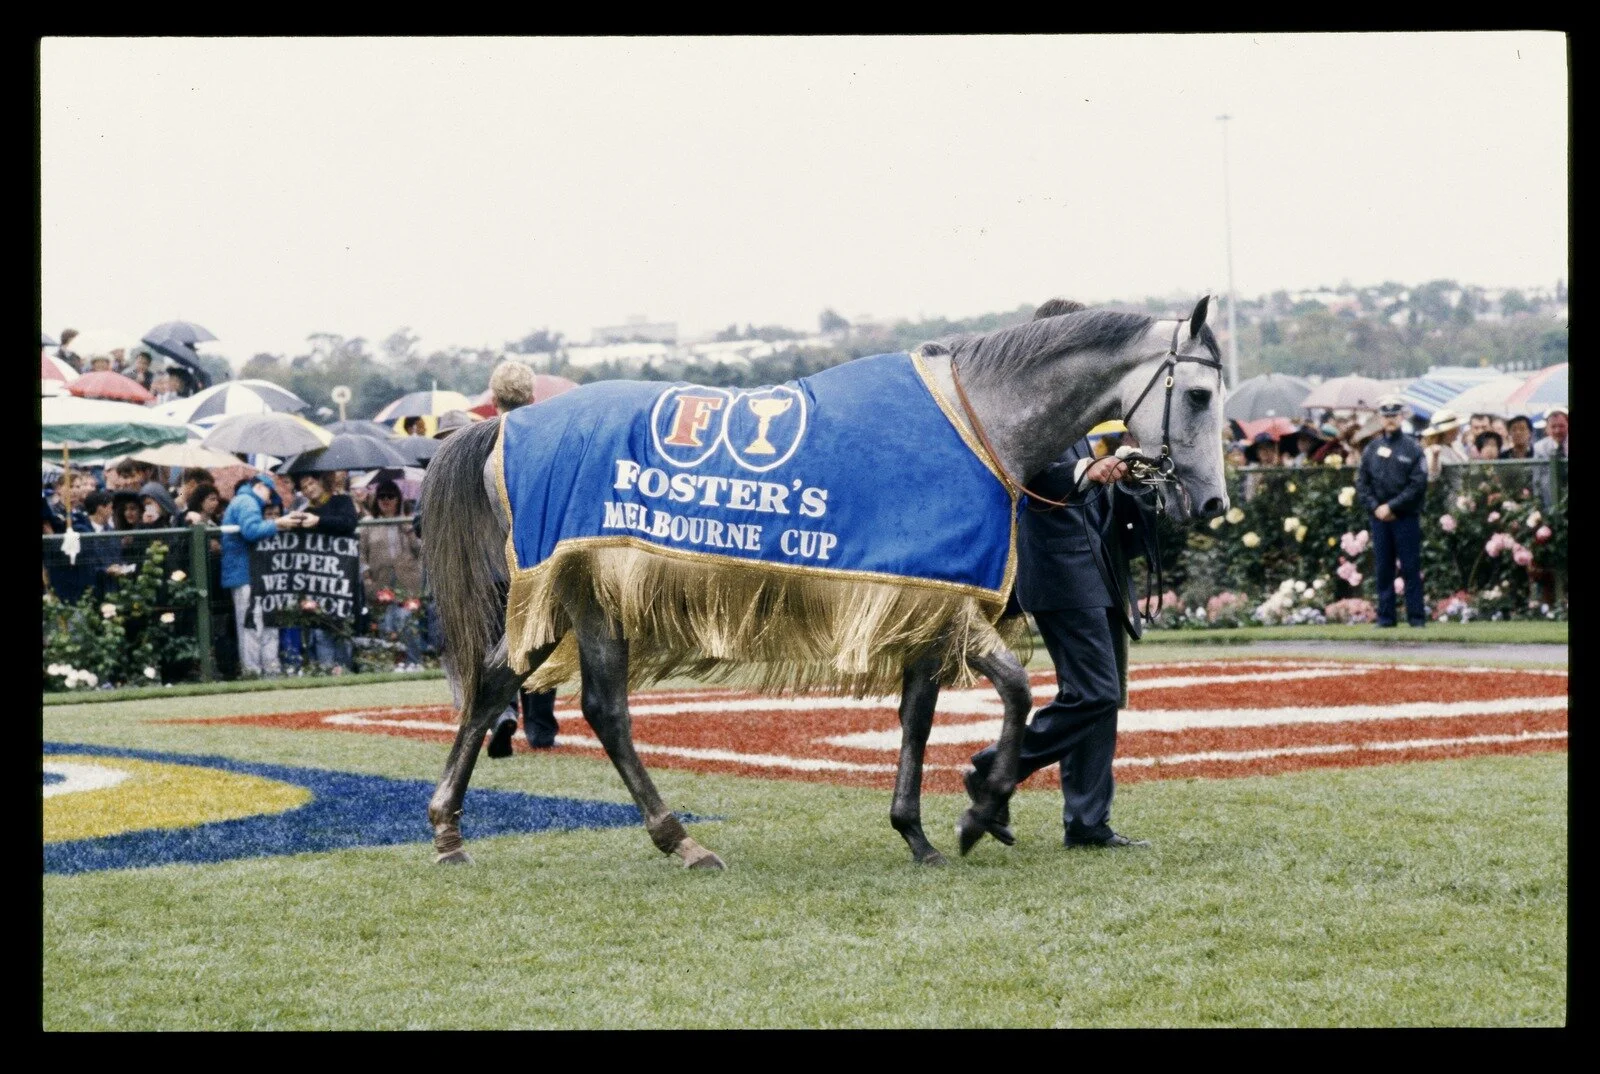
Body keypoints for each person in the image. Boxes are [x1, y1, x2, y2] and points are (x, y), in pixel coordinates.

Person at [964, 424, 1159, 849]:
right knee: (1097, 693)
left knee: (1099, 702)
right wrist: (1089, 470)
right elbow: (1026, 476)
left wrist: (1124, 471)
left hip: (1097, 565)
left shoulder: (1080, 419)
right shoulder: (1040, 412)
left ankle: (1088, 823)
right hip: (1061, 571)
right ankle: (994, 769)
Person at [485, 360, 562, 757]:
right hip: (538, 562)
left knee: (494, 641)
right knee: (541, 642)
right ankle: (541, 729)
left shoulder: (478, 441)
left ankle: (501, 713)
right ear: (532, 397)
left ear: (493, 399)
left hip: (490, 565)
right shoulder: (551, 442)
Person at [1356, 396, 1428, 629]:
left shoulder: (1413, 448)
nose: (1390, 420)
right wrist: (1376, 507)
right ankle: (1386, 618)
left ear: (1402, 417)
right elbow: (1362, 483)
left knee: (1410, 568)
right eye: (1386, 416)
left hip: (1405, 516)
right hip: (1379, 517)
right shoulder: (1372, 449)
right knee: (1383, 568)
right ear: (1380, 418)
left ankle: (1416, 618)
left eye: (1394, 415)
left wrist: (1393, 506)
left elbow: (1418, 484)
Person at [221, 474, 298, 677]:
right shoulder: (246, 501)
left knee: (262, 625)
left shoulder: (243, 500)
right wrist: (279, 523)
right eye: (269, 493)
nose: (269, 500)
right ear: (260, 486)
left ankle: (267, 671)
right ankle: (254, 673)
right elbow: (251, 530)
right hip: (245, 574)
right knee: (252, 627)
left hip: (253, 574)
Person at [286, 471, 359, 672]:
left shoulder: (341, 501)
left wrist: (318, 521)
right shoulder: (305, 510)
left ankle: (345, 668)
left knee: (341, 625)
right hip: (317, 578)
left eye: (311, 483)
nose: (309, 489)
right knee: (320, 627)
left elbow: (348, 523)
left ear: (321, 481)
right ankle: (326, 669)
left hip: (341, 574)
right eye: (304, 487)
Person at [360, 478, 425, 667]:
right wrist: (367, 581)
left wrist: (410, 532)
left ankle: (415, 662)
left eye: (390, 496)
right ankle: (391, 664)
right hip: (380, 584)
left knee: (408, 624)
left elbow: (422, 551)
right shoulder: (368, 525)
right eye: (381, 497)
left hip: (408, 583)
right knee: (386, 625)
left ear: (398, 499)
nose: (385, 500)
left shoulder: (408, 521)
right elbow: (362, 557)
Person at [1420, 410, 1467, 479]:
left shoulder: (1456, 446)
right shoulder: (1431, 450)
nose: (1458, 431)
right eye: (1455, 429)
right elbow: (1432, 475)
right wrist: (1435, 456)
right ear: (1447, 432)